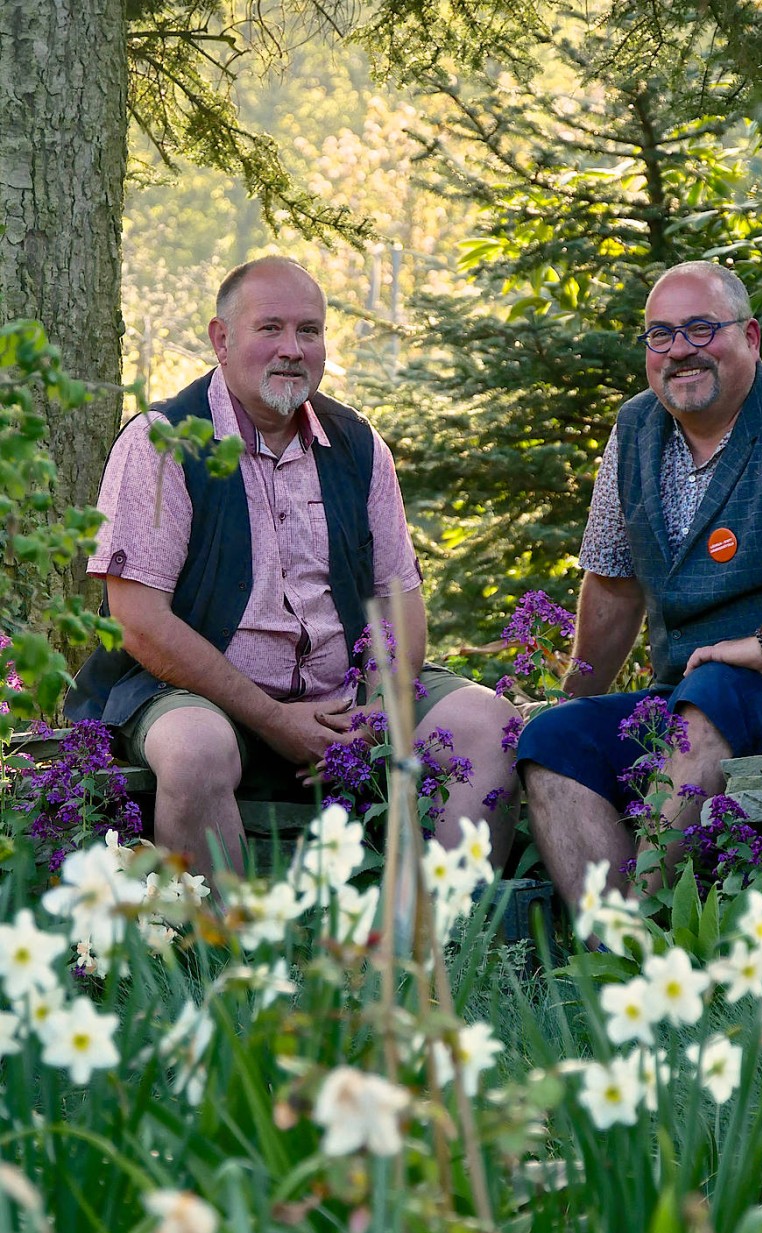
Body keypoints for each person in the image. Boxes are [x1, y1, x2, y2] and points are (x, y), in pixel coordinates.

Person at [66, 256, 519, 878]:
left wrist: (375, 711)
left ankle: (445, 946)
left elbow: (402, 606)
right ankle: (220, 959)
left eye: (309, 331)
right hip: (199, 697)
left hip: (346, 698)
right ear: (221, 339)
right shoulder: (162, 442)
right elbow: (139, 622)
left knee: (488, 723)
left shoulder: (357, 443)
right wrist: (276, 721)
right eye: (270, 328)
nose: (293, 349)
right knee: (194, 752)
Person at [517, 260, 762, 912]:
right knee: (553, 743)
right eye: (661, 335)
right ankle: (615, 952)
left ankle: (644, 939)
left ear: (752, 338)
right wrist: (573, 697)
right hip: (698, 703)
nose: (680, 350)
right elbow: (614, 586)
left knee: (711, 696)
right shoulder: (635, 431)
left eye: (702, 329)